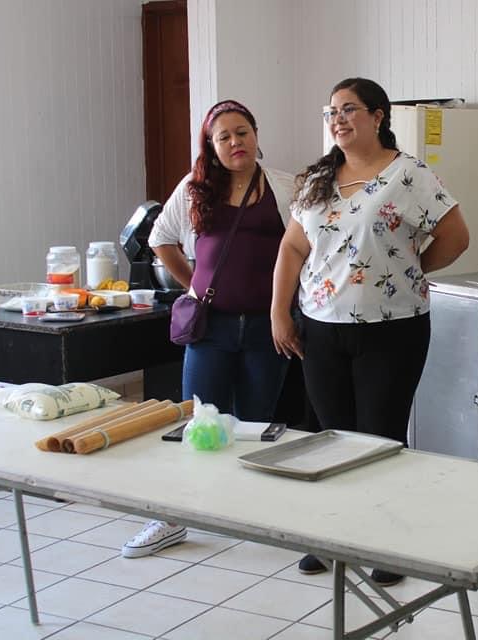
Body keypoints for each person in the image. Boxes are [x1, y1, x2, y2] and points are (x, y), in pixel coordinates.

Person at [270, 77, 469, 585]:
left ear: (379, 116)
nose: (337, 119)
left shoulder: (409, 175)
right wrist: (279, 312)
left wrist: (412, 267)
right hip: (320, 329)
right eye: (331, 110)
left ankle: (387, 545)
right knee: (331, 437)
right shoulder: (317, 180)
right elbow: (293, 248)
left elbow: (455, 237)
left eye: (349, 109)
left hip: (393, 330)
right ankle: (334, 538)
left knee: (380, 438)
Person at [122, 99, 295, 559]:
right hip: (211, 328)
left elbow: (304, 250)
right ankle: (175, 517)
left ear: (256, 135)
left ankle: (244, 512)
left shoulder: (284, 186)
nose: (235, 143)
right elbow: (161, 239)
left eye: (242, 132)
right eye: (224, 137)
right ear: (211, 145)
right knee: (200, 423)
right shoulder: (196, 188)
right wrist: (194, 286)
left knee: (256, 426)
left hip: (267, 329)